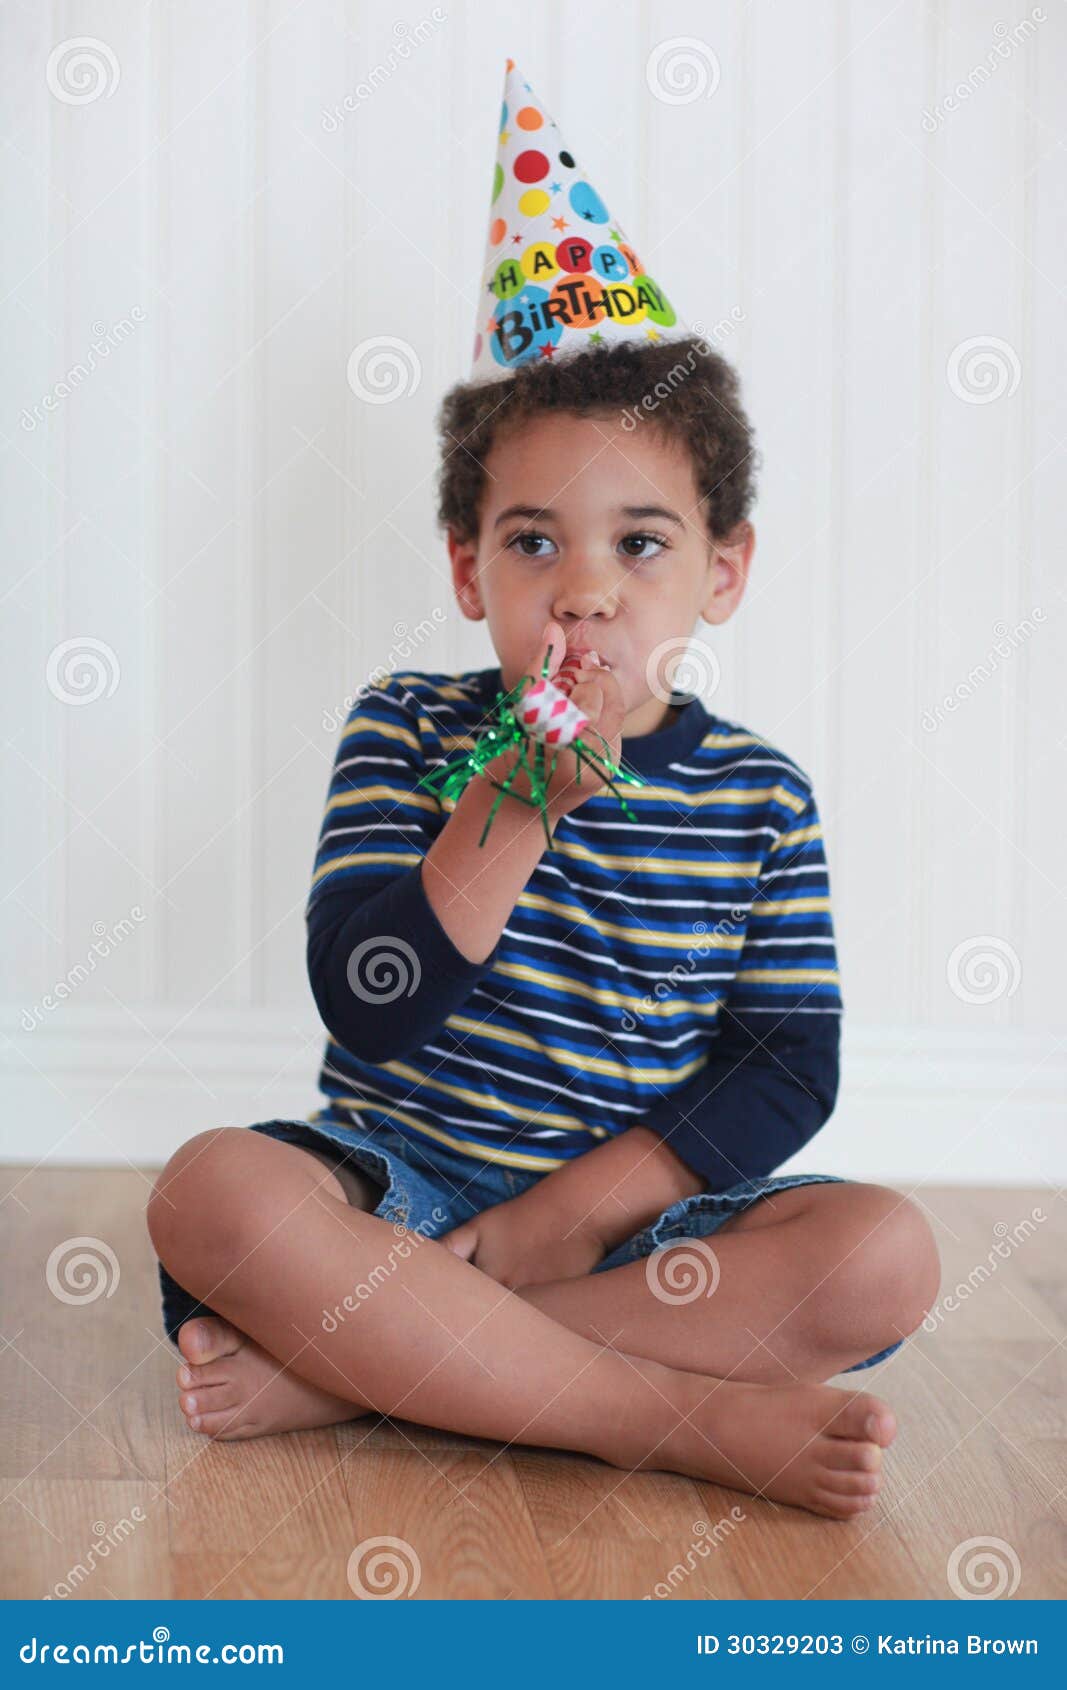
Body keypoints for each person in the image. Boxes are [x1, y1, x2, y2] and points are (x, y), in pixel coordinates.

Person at [146, 62, 940, 1521]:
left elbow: (786, 1068)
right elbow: (369, 996)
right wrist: (513, 802)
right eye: (531, 543)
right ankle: (668, 1417)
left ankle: (368, 1374)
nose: (583, 590)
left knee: (886, 1253)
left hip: (626, 1238)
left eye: (640, 544)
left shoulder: (760, 797)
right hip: (393, 1205)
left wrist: (564, 1221)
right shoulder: (403, 727)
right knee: (208, 1191)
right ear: (467, 570)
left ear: (725, 570)